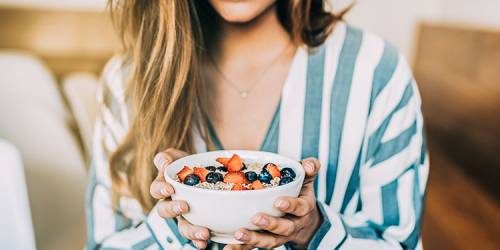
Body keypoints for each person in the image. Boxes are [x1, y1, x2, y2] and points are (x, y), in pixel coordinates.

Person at [86, 0, 429, 249]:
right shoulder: (128, 83)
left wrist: (315, 232)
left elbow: (398, 242)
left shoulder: (375, 73)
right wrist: (172, 226)